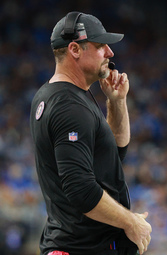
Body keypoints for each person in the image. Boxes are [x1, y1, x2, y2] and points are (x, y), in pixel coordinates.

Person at [30, 12, 152, 255]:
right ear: (75, 49)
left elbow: (111, 157)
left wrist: (116, 102)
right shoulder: (69, 106)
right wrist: (131, 222)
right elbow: (81, 190)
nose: (110, 52)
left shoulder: (60, 95)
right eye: (100, 45)